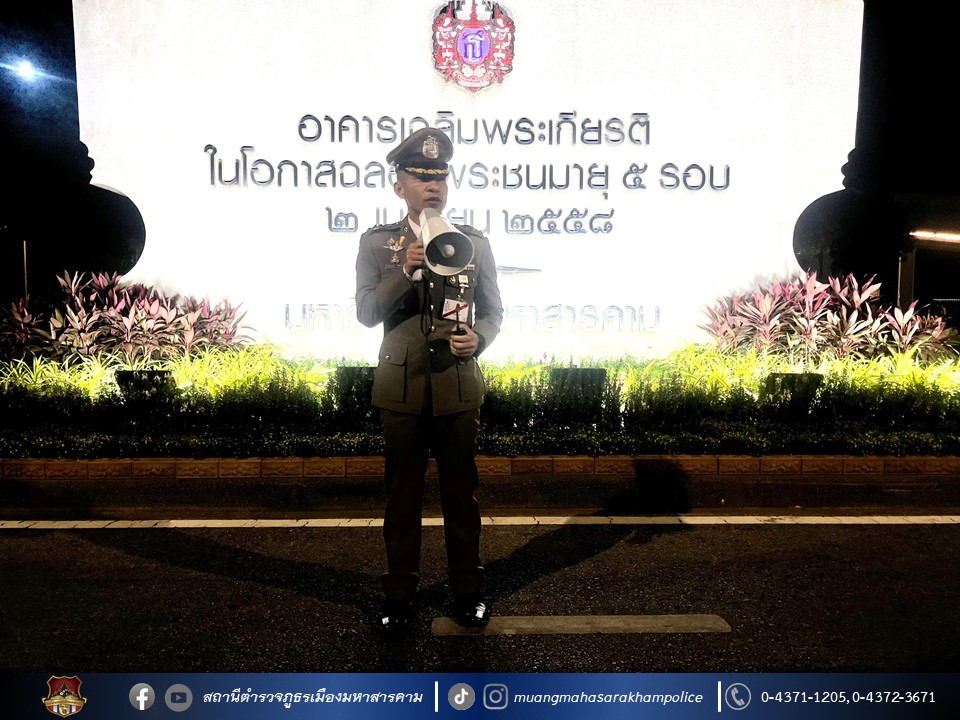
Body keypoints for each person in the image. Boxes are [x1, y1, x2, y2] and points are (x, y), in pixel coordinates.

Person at [355, 128, 503, 632]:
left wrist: (478, 340)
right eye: (420, 176)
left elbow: (493, 312)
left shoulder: (474, 243)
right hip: (400, 391)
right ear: (399, 186)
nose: (432, 185)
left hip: (457, 387)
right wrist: (405, 270)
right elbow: (366, 313)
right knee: (402, 499)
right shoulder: (378, 244)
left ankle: (468, 590)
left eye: (439, 176)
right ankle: (399, 595)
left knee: (462, 497)